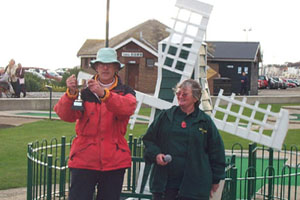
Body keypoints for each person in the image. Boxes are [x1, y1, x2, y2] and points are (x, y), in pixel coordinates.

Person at [54, 47, 137, 200]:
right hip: (83, 161)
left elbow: (127, 107)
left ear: (116, 68)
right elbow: (65, 115)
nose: (105, 67)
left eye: (110, 64)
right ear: (96, 67)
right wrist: (70, 94)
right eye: (101, 64)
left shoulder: (126, 91)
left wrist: (104, 94)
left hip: (114, 162)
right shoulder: (83, 92)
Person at [142, 79, 226, 200]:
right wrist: (156, 155)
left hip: (194, 188)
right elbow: (148, 140)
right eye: (178, 93)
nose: (180, 96)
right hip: (165, 186)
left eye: (185, 94)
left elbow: (216, 151)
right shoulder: (165, 117)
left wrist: (216, 179)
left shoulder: (205, 122)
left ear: (195, 98)